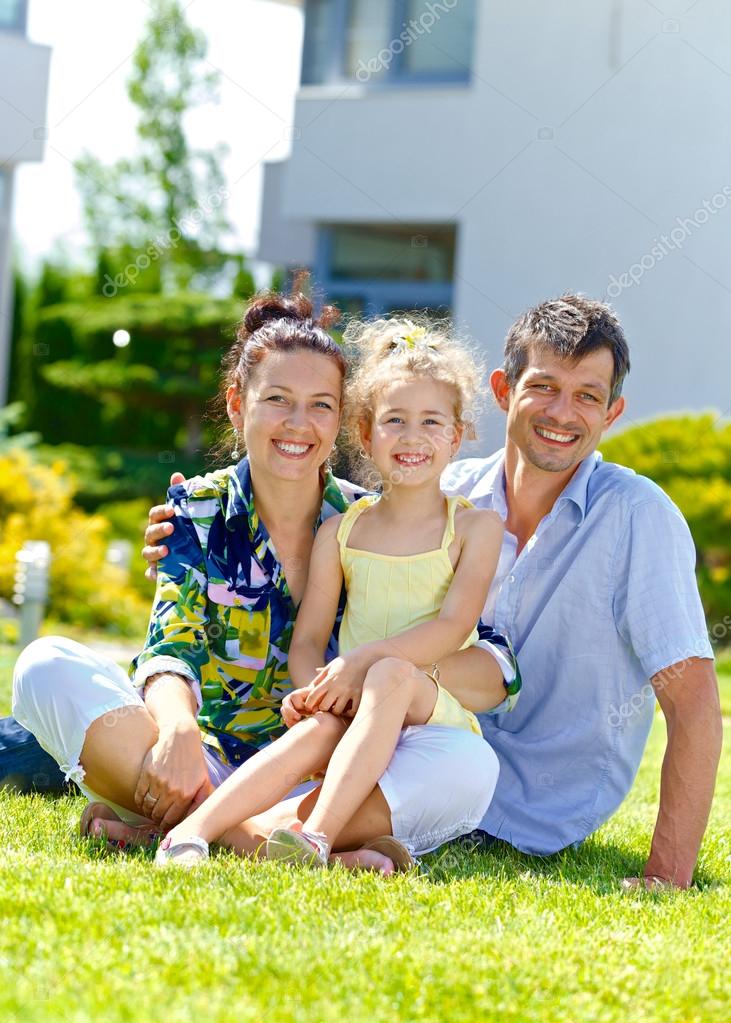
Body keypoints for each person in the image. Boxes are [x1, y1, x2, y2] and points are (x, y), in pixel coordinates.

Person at [144, 292, 722, 890]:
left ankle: (201, 828)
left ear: (613, 412)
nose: (563, 413)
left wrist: (668, 873)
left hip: (526, 807)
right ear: (504, 391)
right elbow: (328, 507)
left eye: (588, 397)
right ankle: (228, 832)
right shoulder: (447, 488)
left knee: (405, 745)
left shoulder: (637, 518)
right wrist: (190, 523)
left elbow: (694, 702)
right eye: (544, 387)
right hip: (387, 751)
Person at [11, 286, 517, 871]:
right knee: (43, 665)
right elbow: (170, 646)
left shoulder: (367, 520)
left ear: (342, 420)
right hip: (204, 759)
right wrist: (176, 730)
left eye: (321, 404)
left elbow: (485, 654)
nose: (298, 425)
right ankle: (259, 842)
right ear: (237, 404)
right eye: (278, 399)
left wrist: (376, 683)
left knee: (471, 767)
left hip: (323, 772)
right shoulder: (194, 512)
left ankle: (196, 830)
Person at [155, 318, 505, 867]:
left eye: (431, 422)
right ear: (365, 435)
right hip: (353, 708)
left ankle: (314, 835)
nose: (413, 437)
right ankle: (192, 832)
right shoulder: (342, 529)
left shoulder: (475, 529)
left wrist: (360, 665)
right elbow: (310, 638)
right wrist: (315, 690)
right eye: (394, 420)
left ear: (456, 437)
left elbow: (454, 627)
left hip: (426, 713)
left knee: (392, 679)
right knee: (321, 724)